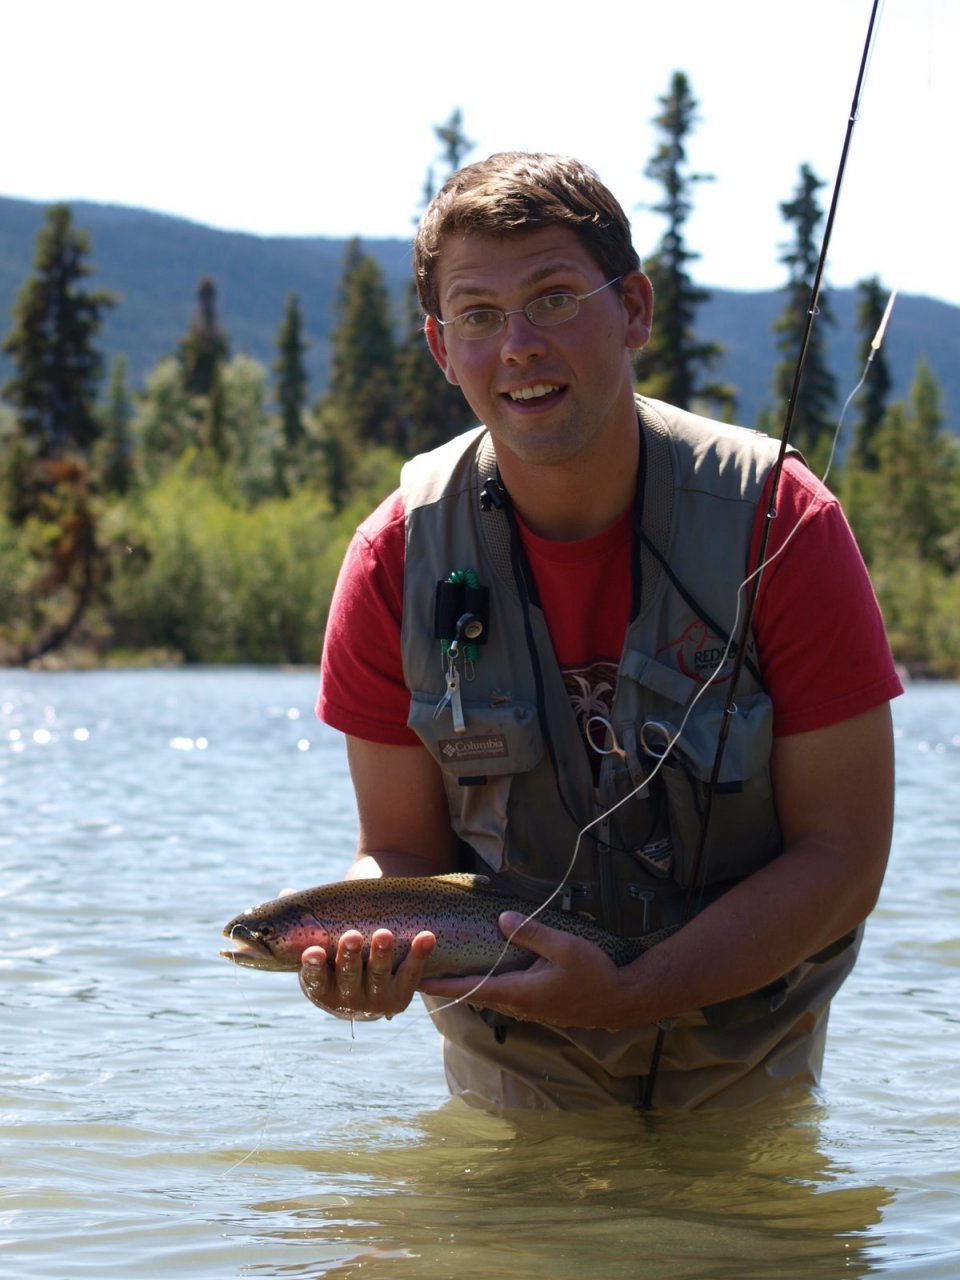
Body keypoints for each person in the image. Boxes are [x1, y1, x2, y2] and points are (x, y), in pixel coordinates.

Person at [304, 151, 902, 1110]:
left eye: (552, 298)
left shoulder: (782, 523)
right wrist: (367, 941)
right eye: (480, 315)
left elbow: (844, 858)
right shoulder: (395, 560)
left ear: (633, 311)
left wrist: (637, 994)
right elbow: (401, 847)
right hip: (516, 1067)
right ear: (440, 347)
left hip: (746, 1061)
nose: (519, 346)